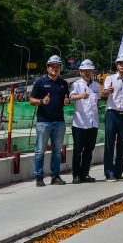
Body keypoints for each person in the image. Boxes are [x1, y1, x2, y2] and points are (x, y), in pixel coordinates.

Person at [29, 55, 71, 187]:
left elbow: (66, 99)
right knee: (40, 150)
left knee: (57, 151)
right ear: (48, 68)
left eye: (57, 66)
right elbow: (31, 100)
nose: (55, 68)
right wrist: (42, 101)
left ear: (60, 68)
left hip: (59, 121)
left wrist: (67, 102)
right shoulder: (40, 82)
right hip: (44, 122)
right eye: (52, 66)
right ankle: (39, 177)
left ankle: (55, 176)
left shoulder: (63, 84)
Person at [101, 53, 123, 181]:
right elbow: (103, 95)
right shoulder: (110, 79)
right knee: (109, 143)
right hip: (112, 113)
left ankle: (119, 172)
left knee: (122, 144)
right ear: (117, 65)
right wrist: (107, 92)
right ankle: (109, 173)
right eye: (120, 63)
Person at [69, 59, 100, 183]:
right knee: (77, 150)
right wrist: (81, 96)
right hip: (80, 123)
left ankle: (85, 173)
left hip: (93, 123)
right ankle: (76, 175)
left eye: (89, 71)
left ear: (92, 71)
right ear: (80, 72)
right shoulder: (77, 84)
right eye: (84, 71)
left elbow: (97, 101)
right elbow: (71, 97)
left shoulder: (96, 85)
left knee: (89, 150)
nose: (87, 73)